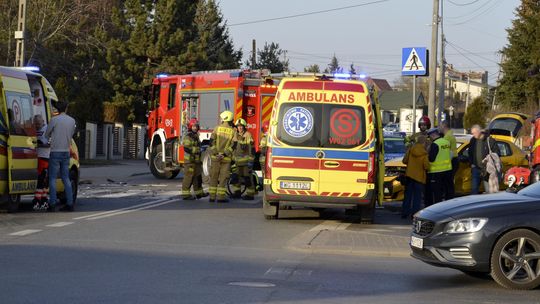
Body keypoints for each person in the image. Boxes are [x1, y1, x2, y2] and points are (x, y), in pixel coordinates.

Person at [45, 101, 76, 212]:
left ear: (57, 109)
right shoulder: (72, 121)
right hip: (66, 152)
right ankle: (70, 203)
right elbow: (71, 134)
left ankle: (52, 204)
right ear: (66, 108)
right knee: (65, 178)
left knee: (52, 178)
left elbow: (46, 134)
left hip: (55, 151)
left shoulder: (54, 120)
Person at [208, 110, 235, 203]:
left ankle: (212, 197)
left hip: (215, 158)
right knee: (223, 178)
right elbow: (234, 145)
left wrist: (216, 153)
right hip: (226, 158)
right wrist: (224, 154)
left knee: (214, 176)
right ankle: (220, 197)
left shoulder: (216, 128)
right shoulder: (233, 131)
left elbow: (211, 142)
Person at [401, 135, 430, 219]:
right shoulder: (424, 153)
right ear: (424, 143)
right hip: (419, 178)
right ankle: (414, 214)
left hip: (409, 176)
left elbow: (404, 161)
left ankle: (404, 213)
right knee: (417, 198)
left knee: (408, 196)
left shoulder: (411, 149)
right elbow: (426, 166)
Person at [468, 125, 500, 194]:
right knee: (474, 190)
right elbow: (470, 152)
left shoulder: (489, 140)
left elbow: (497, 153)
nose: (473, 135)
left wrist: (489, 159)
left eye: (474, 133)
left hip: (487, 169)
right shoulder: (473, 140)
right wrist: (472, 164)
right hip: (476, 168)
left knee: (488, 191)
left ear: (479, 132)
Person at [425, 128, 452, 206]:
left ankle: (437, 208)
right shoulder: (447, 142)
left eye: (429, 136)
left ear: (433, 135)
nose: (429, 138)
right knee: (447, 191)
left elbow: (431, 159)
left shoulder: (435, 144)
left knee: (437, 193)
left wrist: (427, 153)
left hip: (436, 172)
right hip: (447, 170)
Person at [181, 118, 206, 200]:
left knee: (198, 177)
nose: (195, 128)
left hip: (196, 161)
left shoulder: (195, 136)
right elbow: (186, 148)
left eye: (196, 126)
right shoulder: (188, 136)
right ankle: (185, 194)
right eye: (194, 126)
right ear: (190, 126)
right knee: (189, 177)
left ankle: (199, 193)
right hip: (190, 161)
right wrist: (197, 150)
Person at [231, 118, 255, 200]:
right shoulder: (235, 135)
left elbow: (251, 149)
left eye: (241, 126)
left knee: (247, 178)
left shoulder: (248, 135)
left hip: (245, 162)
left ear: (244, 127)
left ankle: (250, 194)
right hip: (237, 161)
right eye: (238, 126)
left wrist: (251, 161)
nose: (240, 128)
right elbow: (233, 147)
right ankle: (237, 192)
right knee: (236, 177)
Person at [32, 114, 50, 210]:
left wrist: (39, 144)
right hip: (37, 157)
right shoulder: (36, 130)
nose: (37, 126)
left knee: (41, 179)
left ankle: (37, 200)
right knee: (42, 180)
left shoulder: (47, 129)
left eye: (38, 124)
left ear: (43, 121)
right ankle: (44, 200)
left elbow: (49, 144)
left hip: (45, 157)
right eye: (35, 124)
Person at [439, 120, 457, 198]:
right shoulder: (451, 135)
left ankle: (449, 199)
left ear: (444, 126)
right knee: (450, 182)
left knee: (448, 182)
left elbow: (444, 151)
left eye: (440, 126)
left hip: (451, 160)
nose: (439, 128)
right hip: (454, 160)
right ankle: (450, 197)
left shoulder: (447, 137)